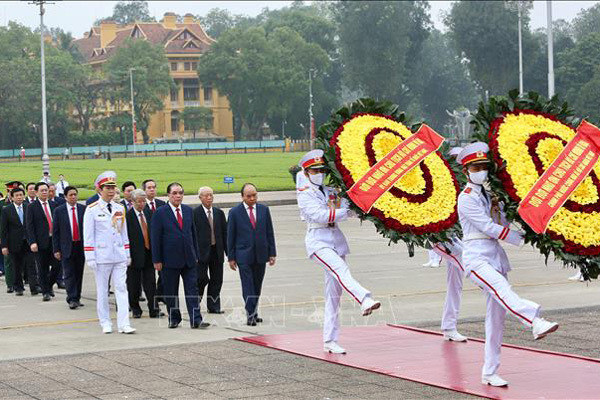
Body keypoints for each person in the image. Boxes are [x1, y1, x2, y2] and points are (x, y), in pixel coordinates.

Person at [457, 142, 559, 387]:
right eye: (476, 167)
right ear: (466, 171)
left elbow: (502, 220)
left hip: (495, 257)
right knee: (503, 290)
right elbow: (489, 228)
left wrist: (530, 225)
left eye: (484, 166)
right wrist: (521, 239)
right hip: (477, 258)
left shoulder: (492, 195)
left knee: (496, 319)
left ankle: (489, 372)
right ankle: (534, 321)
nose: (481, 170)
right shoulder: (466, 198)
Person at [296, 150, 381, 354]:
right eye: (314, 170)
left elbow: (348, 207)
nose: (319, 173)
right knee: (340, 269)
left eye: (321, 170)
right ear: (306, 173)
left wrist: (362, 204)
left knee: (334, 294)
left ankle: (330, 340)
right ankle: (364, 299)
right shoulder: (305, 194)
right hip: (318, 241)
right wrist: (346, 212)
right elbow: (320, 216)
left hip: (335, 241)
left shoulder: (330, 191)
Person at [83, 171, 135, 334]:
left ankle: (124, 323)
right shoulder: (92, 210)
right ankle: (105, 322)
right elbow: (88, 235)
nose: (111, 191)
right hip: (102, 256)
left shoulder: (120, 208)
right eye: (108, 187)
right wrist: (90, 256)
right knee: (103, 290)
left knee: (121, 288)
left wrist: (127, 253)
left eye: (113, 187)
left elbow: (123, 232)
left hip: (118, 255)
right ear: (100, 189)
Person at [151, 182, 209, 329]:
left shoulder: (188, 211)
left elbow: (193, 234)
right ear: (168, 195)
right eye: (175, 193)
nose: (178, 196)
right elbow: (155, 238)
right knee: (171, 290)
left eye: (180, 193)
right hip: (169, 260)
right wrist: (157, 259)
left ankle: (196, 319)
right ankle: (174, 318)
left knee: (192, 290)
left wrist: (195, 253)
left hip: (189, 259)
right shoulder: (160, 213)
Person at [227, 183, 277, 326]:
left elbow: (269, 232)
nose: (252, 198)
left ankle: (254, 310)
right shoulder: (235, 212)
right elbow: (230, 236)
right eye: (248, 196)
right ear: (242, 196)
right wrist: (231, 257)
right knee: (247, 285)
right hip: (243, 255)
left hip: (261, 254)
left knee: (257, 285)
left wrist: (272, 253)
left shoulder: (264, 210)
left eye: (254, 195)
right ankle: (250, 314)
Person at [25, 182, 62, 301]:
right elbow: (29, 226)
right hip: (40, 242)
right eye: (42, 190)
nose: (45, 192)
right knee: (42, 268)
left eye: (46, 190)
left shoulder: (54, 205)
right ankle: (45, 292)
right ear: (36, 192)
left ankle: (48, 285)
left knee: (57, 266)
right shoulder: (31, 207)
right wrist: (32, 242)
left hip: (54, 241)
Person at [126, 189, 160, 318]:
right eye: (139, 201)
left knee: (150, 283)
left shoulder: (149, 213)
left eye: (143, 201)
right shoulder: (128, 217)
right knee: (133, 285)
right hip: (134, 256)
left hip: (149, 253)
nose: (141, 204)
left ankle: (154, 308)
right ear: (132, 201)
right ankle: (135, 308)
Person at [193, 186, 227, 314]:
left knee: (217, 279)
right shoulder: (194, 214)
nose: (209, 198)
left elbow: (225, 233)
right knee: (201, 279)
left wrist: (230, 254)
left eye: (211, 195)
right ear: (200, 198)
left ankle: (213, 306)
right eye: (206, 195)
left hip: (217, 251)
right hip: (201, 253)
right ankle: (195, 304)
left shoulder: (219, 213)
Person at [1, 187, 39, 296]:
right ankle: (18, 287)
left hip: (28, 242)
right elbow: (4, 230)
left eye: (21, 195)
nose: (19, 197)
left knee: (31, 265)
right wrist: (4, 246)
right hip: (14, 243)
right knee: (17, 266)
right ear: (12, 197)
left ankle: (34, 287)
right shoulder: (6, 210)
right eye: (16, 195)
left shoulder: (29, 207)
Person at [52, 186, 86, 309]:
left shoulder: (83, 209)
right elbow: (55, 232)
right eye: (70, 195)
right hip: (66, 246)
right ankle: (71, 298)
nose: (73, 197)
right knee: (69, 273)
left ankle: (77, 297)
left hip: (80, 246)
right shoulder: (59, 211)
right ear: (65, 197)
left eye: (75, 194)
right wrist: (56, 249)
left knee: (79, 273)